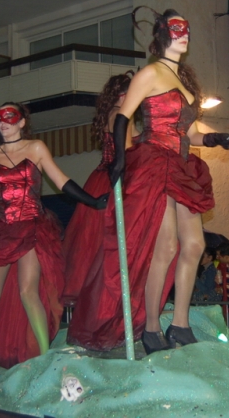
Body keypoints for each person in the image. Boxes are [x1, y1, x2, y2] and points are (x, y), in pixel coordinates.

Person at [67, 8, 229, 354]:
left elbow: (188, 133)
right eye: (176, 28)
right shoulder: (150, 73)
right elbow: (123, 117)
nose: (184, 34)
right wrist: (121, 159)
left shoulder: (183, 80)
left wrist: (214, 139)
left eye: (186, 29)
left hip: (182, 164)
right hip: (155, 162)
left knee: (195, 246)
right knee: (167, 246)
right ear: (162, 34)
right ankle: (152, 327)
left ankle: (181, 324)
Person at [0, 102, 107, 374]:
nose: (3, 122)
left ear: (22, 122)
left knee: (27, 291)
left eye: (10, 117)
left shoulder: (37, 148)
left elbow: (61, 180)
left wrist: (91, 201)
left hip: (31, 227)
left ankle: (44, 357)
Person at [60, 72, 134, 307]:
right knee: (110, 244)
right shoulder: (122, 116)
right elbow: (128, 152)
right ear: (125, 95)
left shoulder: (110, 115)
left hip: (100, 177)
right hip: (114, 180)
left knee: (93, 246)